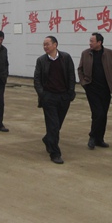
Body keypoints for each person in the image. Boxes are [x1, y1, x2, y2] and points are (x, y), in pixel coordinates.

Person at [33, 36, 76, 164]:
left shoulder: (65, 58)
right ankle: (55, 153)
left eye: (47, 44)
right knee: (53, 126)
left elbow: (71, 76)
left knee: (58, 124)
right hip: (49, 97)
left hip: (63, 97)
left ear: (55, 44)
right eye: (44, 44)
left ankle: (48, 139)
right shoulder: (41, 60)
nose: (45, 46)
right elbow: (37, 80)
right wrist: (43, 95)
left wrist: (70, 92)